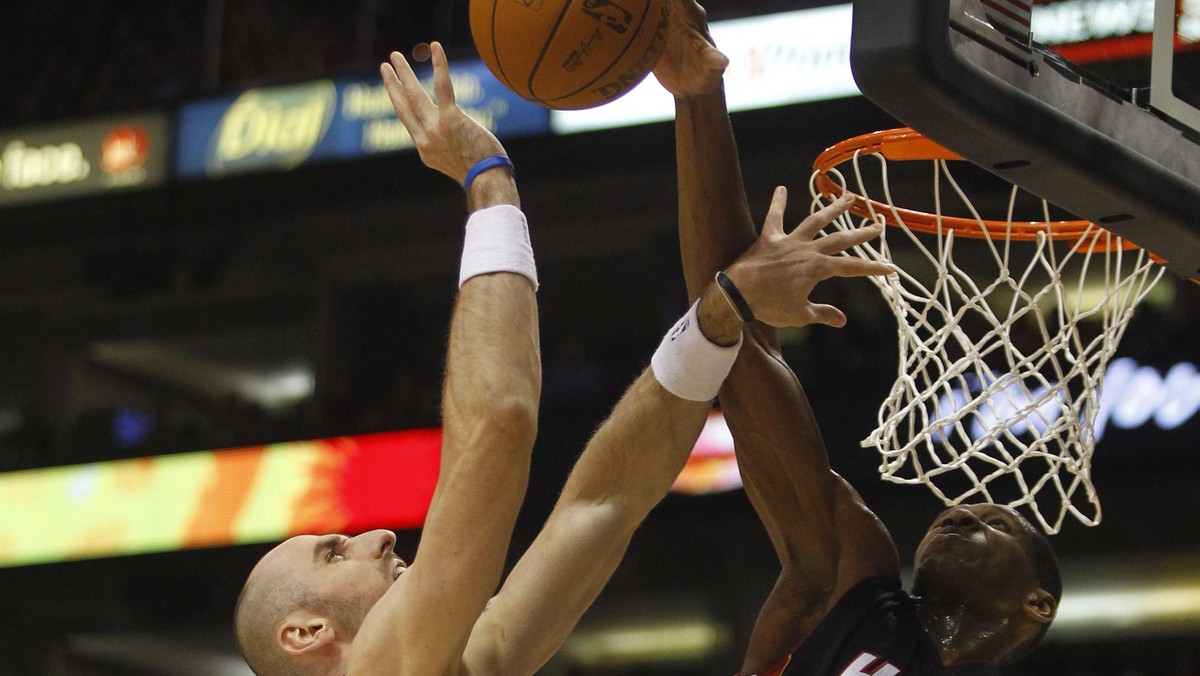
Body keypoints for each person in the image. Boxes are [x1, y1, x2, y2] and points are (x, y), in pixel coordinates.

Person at [233, 40, 892, 676]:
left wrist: (720, 313)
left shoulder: (473, 662)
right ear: (306, 634)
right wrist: (487, 183)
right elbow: (499, 421)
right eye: (333, 553)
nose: (376, 536)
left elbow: (603, 501)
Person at [651, 2, 1063, 674]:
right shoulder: (858, 579)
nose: (963, 515)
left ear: (1035, 605)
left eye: (1001, 526)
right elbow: (740, 356)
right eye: (981, 510)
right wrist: (700, 98)